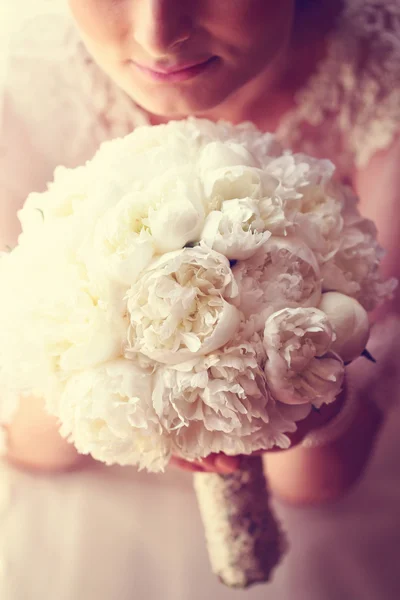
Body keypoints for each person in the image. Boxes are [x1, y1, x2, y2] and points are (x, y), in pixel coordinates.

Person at [1, 0, 400, 598]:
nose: (158, 35)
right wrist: (117, 373)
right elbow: (27, 444)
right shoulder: (22, 74)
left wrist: (285, 397)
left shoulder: (380, 80)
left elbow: (318, 482)